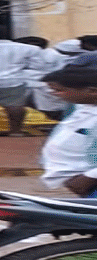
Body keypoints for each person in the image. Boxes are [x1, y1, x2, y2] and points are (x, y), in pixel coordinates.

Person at [36, 68, 97, 197]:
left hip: (89, 181)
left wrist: (89, 177)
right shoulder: (81, 105)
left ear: (92, 91)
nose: (54, 94)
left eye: (59, 90)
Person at [15, 37, 68, 120]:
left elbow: (61, 70)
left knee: (49, 110)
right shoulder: (18, 54)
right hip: (24, 84)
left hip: (45, 85)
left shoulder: (54, 55)